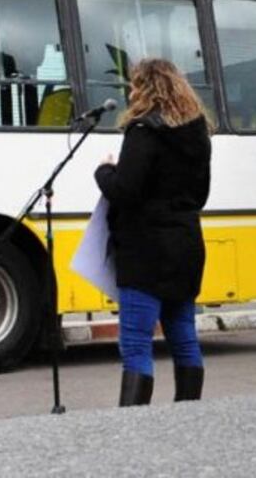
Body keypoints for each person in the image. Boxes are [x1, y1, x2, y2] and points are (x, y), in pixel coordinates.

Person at [95, 58, 213, 407]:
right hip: (186, 247)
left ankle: (134, 424)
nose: (130, 91)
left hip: (146, 252)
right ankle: (188, 414)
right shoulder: (198, 134)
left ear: (147, 88)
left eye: (134, 84)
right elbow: (201, 195)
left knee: (135, 341)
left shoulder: (143, 131)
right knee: (184, 336)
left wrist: (103, 172)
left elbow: (125, 190)